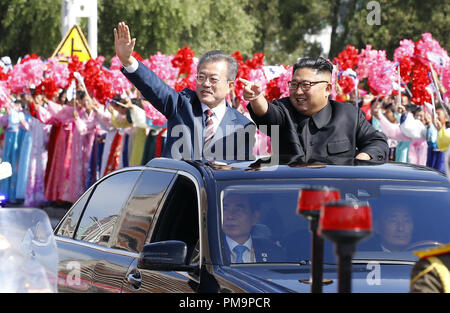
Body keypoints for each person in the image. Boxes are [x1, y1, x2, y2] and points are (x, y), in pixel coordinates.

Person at [114, 22, 255, 161]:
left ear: (230, 85)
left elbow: (241, 172)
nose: (206, 84)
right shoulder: (181, 105)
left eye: (213, 79)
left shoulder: (242, 126)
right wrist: (127, 60)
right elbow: (155, 87)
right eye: (201, 77)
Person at [240, 57, 389, 162]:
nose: (298, 92)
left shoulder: (349, 115)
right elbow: (267, 115)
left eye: (306, 85)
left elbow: (377, 142)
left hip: (335, 199)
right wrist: (256, 98)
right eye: (294, 84)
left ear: (327, 89)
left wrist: (360, 161)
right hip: (290, 197)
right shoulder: (284, 109)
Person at [222, 192, 285, 263]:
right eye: (224, 209)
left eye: (238, 210)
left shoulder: (273, 252)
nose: (230, 217)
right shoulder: (210, 250)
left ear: (254, 217)